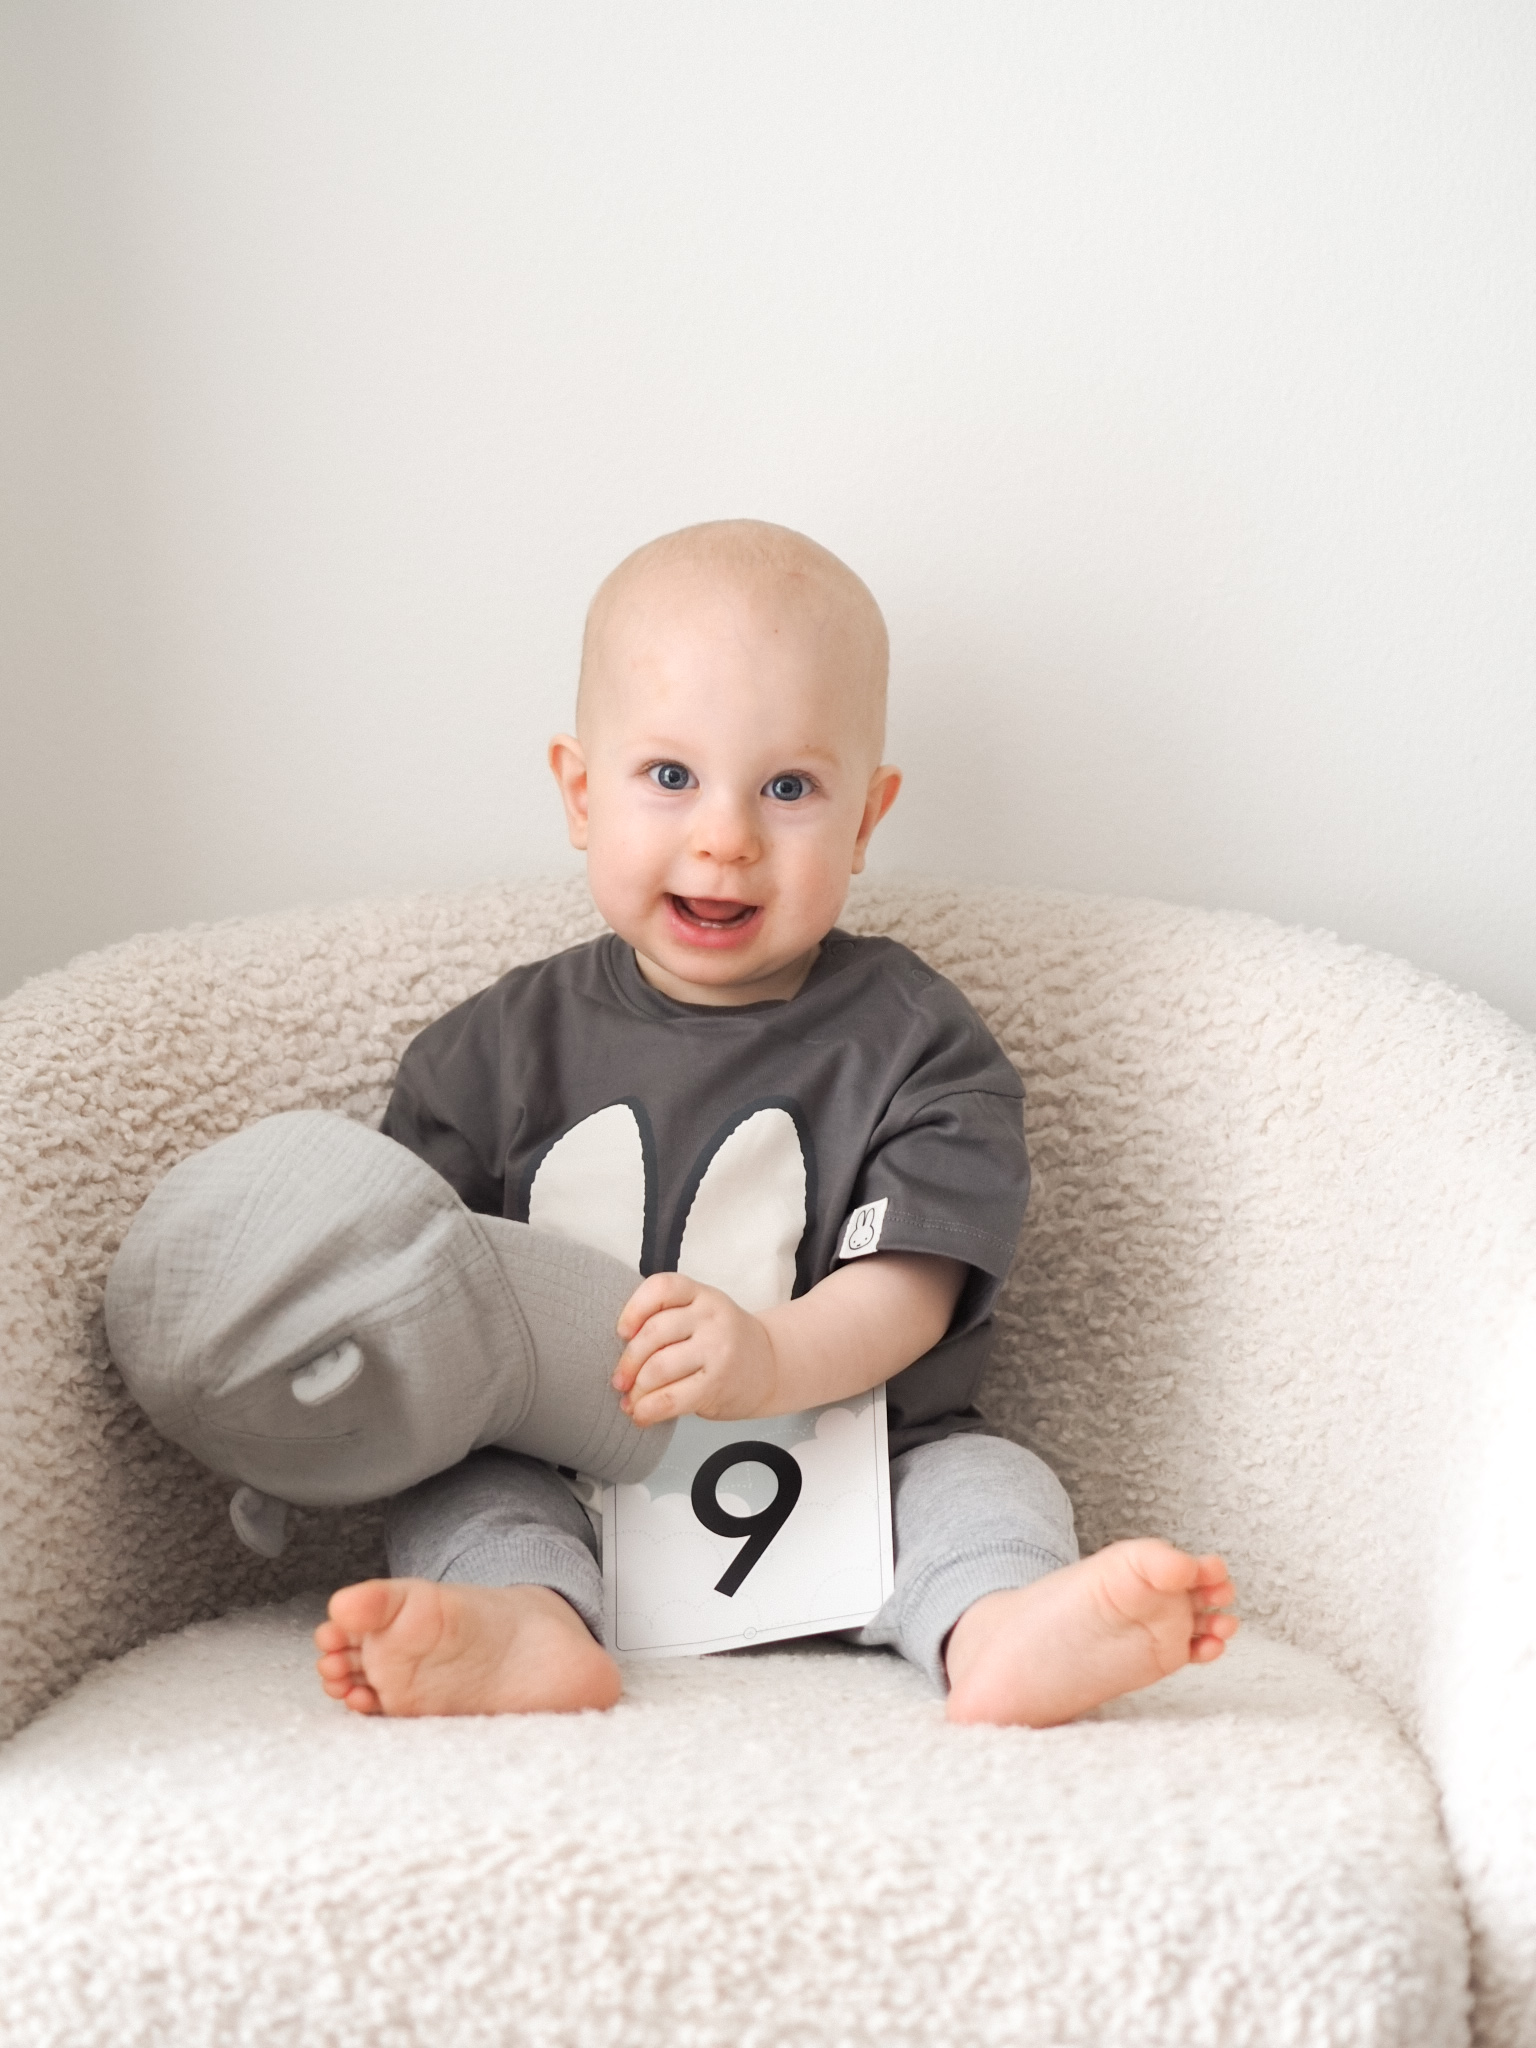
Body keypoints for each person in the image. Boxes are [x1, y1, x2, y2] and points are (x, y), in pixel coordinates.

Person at [313, 520, 1238, 1725]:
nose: (726, 836)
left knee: (985, 1479)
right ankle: (529, 1620)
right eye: (670, 776)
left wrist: (770, 1358)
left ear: (866, 817)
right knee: (460, 1492)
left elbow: (911, 1287)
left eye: (789, 788)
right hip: (568, 1472)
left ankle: (997, 1622)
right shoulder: (483, 1055)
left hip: (853, 1459)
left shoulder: (915, 1040)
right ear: (582, 792)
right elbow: (418, 1293)